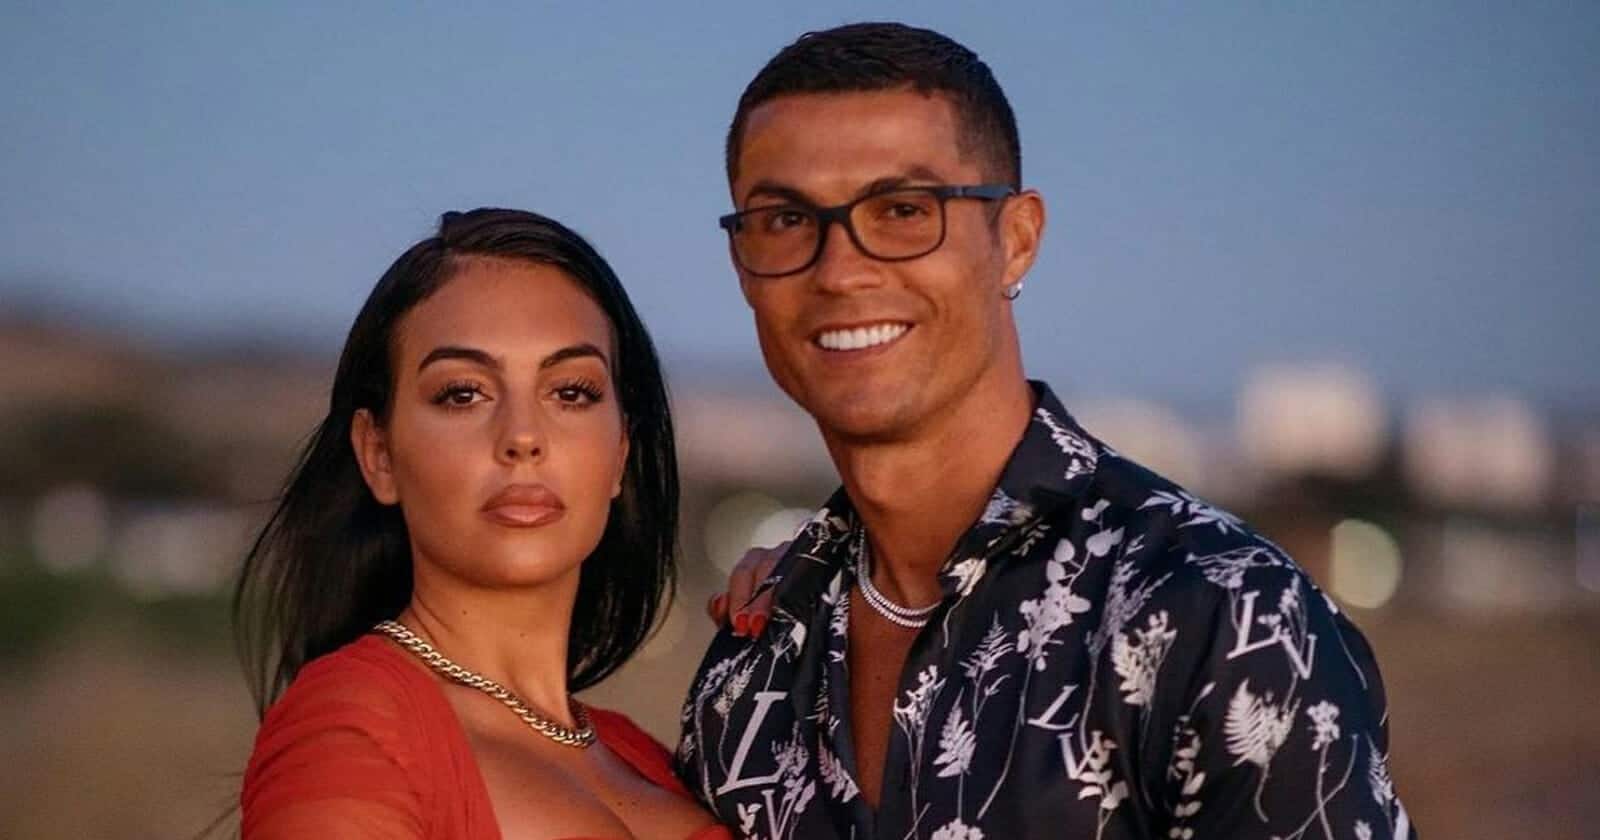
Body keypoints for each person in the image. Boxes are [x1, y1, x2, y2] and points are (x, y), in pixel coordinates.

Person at [680, 22, 1416, 840]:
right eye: (785, 219)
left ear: (1016, 239)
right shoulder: (751, 669)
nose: (840, 270)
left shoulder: (1220, 614)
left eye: (903, 210)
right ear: (742, 264)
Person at [236, 208, 730, 840]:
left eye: (571, 392)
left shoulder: (654, 760)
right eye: (463, 393)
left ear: (620, 455)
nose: (522, 436)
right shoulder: (351, 731)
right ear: (379, 455)